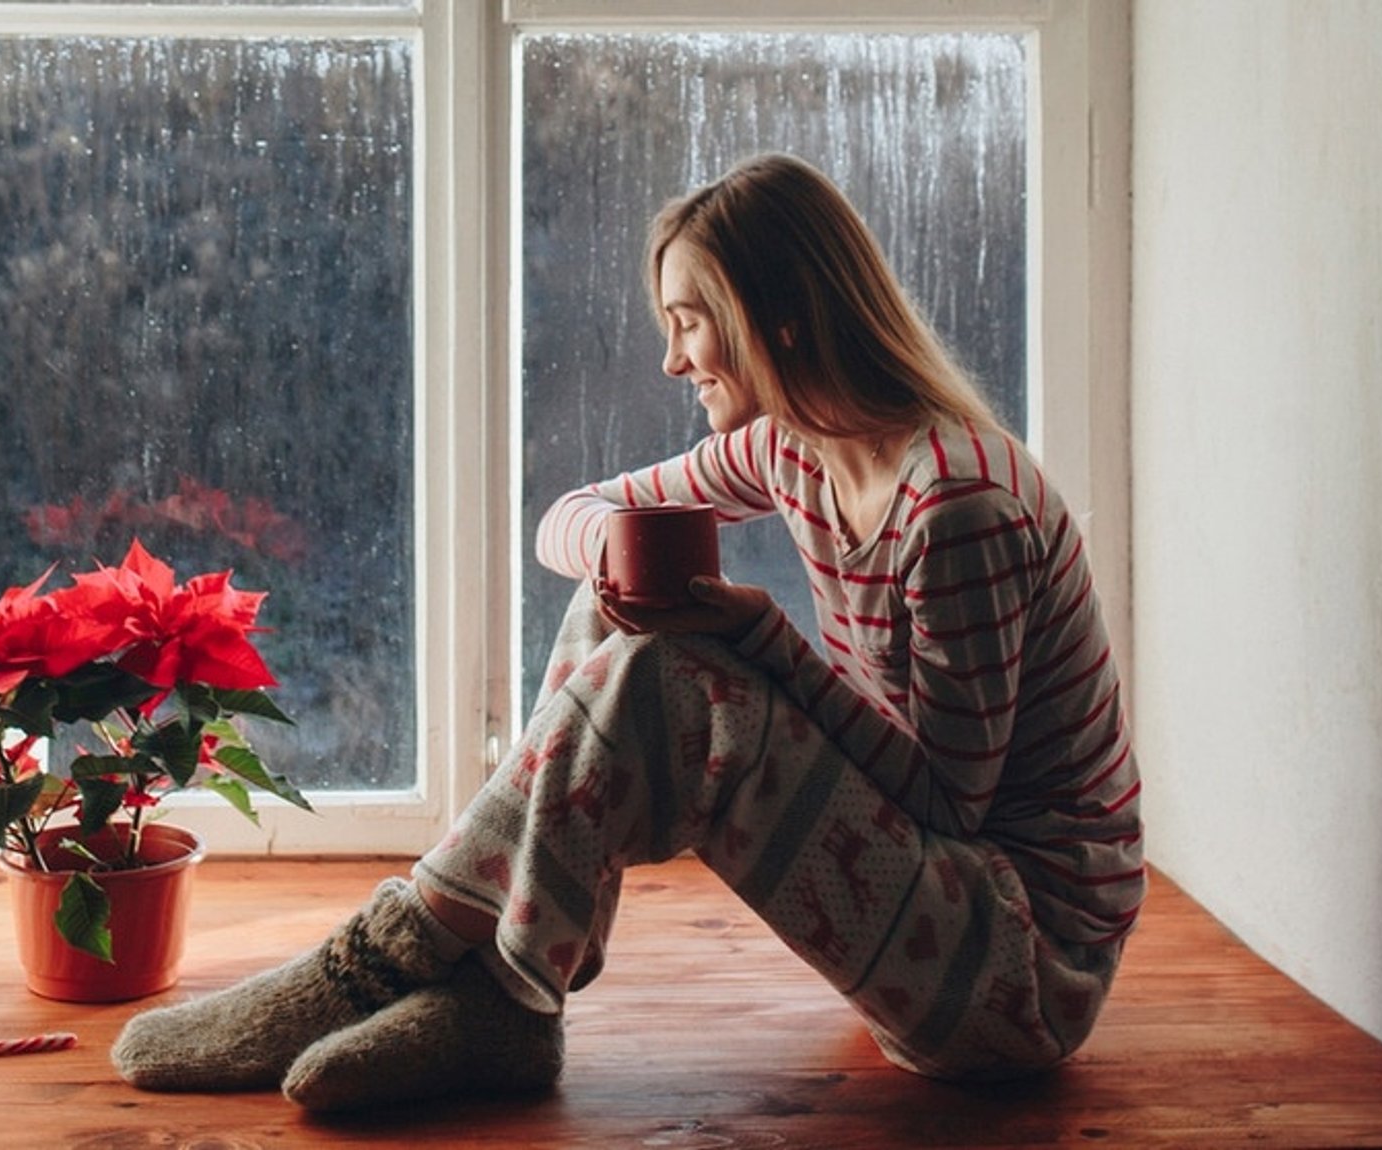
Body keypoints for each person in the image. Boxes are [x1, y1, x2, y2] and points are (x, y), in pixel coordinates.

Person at [112, 152, 1144, 1112]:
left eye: (688, 321)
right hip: (934, 909)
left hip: (1014, 967)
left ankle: (400, 958)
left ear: (775, 320)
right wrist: (623, 553)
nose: (668, 359)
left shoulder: (957, 509)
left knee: (676, 677)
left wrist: (765, 640)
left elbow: (950, 803)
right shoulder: (796, 451)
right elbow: (569, 515)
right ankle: (500, 990)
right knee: (620, 597)